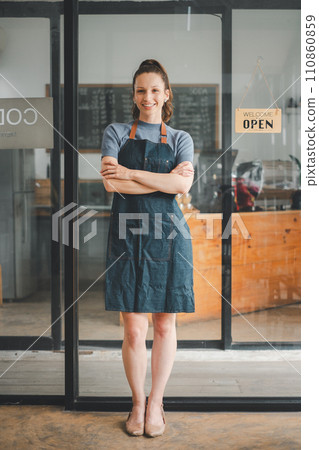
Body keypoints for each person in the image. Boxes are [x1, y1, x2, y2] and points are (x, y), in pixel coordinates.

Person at [100, 59, 195, 438]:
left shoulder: (180, 138)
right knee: (134, 330)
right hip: (128, 236)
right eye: (141, 90)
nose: (148, 97)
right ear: (134, 94)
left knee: (164, 323)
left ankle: (157, 402)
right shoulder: (117, 132)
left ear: (166, 94)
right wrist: (162, 180)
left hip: (170, 238)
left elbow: (183, 189)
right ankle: (137, 402)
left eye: (155, 89)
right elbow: (110, 186)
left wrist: (131, 173)